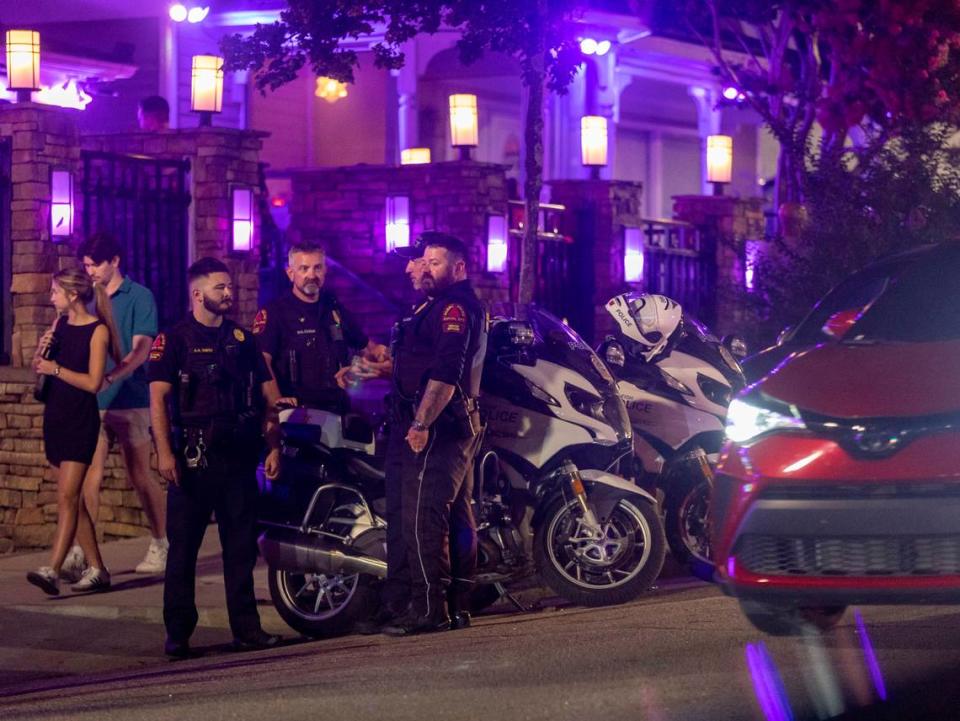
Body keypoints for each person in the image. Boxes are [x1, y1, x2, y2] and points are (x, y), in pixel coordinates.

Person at [148, 257, 282, 658]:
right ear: (197, 293)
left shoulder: (242, 340)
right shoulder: (173, 340)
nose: (229, 292)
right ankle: (178, 633)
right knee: (184, 549)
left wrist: (274, 444)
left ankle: (247, 629)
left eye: (229, 287)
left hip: (237, 455)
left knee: (240, 548)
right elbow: (158, 398)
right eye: (220, 287)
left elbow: (267, 396)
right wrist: (164, 452)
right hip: (192, 456)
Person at [380, 233, 487, 636]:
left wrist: (421, 424)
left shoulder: (454, 307)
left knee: (425, 519)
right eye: (421, 261)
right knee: (456, 517)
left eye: (433, 262)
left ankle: (430, 609)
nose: (421, 268)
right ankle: (457, 604)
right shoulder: (438, 305)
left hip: (440, 426)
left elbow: (446, 372)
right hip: (448, 422)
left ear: (458, 268)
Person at [60, 233, 166, 581]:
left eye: (95, 264)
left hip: (131, 399)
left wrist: (113, 376)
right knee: (89, 474)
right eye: (86, 265)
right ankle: (82, 551)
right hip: (94, 402)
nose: (89, 271)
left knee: (140, 474)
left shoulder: (139, 296)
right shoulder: (88, 298)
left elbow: (141, 350)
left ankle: (161, 542)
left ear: (115, 261)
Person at [26, 269, 123, 595]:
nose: (51, 297)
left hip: (80, 420)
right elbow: (41, 371)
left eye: (55, 291)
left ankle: (52, 570)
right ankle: (98, 569)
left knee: (67, 497)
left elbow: (93, 383)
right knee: (74, 499)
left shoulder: (97, 332)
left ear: (71, 295)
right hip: (55, 417)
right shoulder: (59, 325)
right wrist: (42, 356)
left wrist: (56, 368)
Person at [252, 241, 387, 411]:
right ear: (290, 273)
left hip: (337, 409)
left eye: (317, 268)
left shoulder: (334, 307)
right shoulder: (274, 313)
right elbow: (262, 362)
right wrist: (276, 404)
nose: (312, 275)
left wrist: (380, 358)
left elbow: (366, 347)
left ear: (325, 271)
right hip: (297, 412)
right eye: (304, 268)